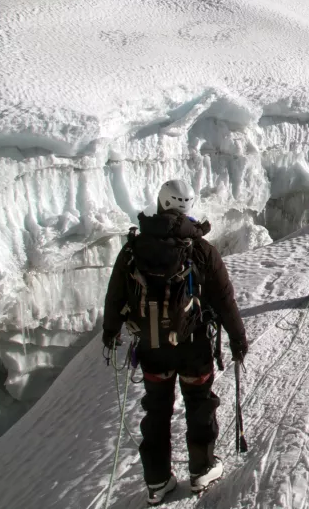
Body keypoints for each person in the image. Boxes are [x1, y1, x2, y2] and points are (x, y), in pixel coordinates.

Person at [102, 180, 249, 505]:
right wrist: (238, 337)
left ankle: (157, 482)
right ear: (187, 207)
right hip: (194, 347)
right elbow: (224, 298)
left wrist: (110, 333)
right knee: (198, 403)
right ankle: (201, 469)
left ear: (160, 204)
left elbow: (116, 295)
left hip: (152, 349)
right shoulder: (199, 249)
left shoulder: (133, 249)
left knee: (157, 411)